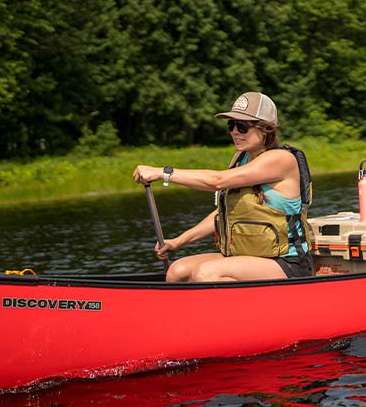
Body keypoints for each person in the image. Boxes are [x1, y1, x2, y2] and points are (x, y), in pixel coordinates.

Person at [132, 92, 314, 282]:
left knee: (206, 274)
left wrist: (164, 172)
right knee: (177, 271)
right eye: (231, 125)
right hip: (244, 256)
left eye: (242, 126)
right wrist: (178, 242)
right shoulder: (239, 159)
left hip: (286, 262)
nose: (234, 131)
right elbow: (224, 212)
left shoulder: (281, 159)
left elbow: (217, 181)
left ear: (266, 129)